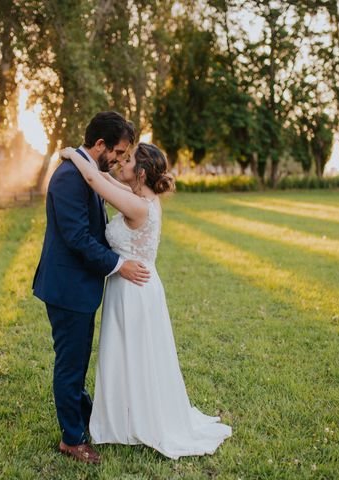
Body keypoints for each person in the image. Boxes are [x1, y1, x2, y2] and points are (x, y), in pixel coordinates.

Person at [60, 142, 232, 460]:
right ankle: (126, 413)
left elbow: (96, 182)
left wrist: (74, 155)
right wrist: (93, 163)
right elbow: (107, 180)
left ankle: (136, 418)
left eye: (127, 161)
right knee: (129, 353)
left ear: (140, 173)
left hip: (134, 291)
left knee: (135, 353)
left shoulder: (139, 206)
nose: (120, 164)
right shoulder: (141, 198)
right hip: (133, 285)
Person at [32, 112, 151, 465]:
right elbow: (78, 238)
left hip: (78, 285)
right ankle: (72, 439)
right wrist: (119, 265)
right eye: (116, 152)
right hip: (67, 286)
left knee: (79, 357)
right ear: (100, 144)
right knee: (70, 363)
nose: (117, 160)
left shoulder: (87, 171)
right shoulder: (70, 177)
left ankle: (85, 417)